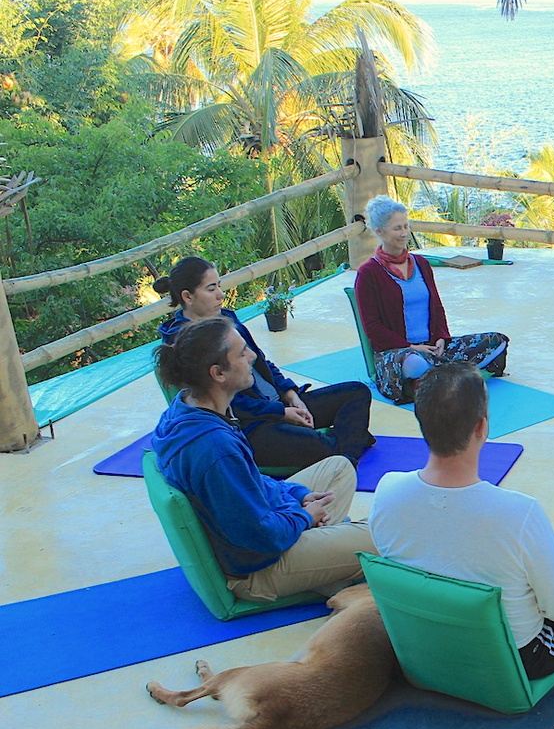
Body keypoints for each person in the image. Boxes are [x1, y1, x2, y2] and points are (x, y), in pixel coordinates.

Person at [370, 362, 554, 678]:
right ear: (481, 427)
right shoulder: (517, 512)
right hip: (520, 657)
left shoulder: (387, 490)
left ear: (420, 421)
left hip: (425, 644)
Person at [151, 317, 376, 602]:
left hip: (264, 530)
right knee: (383, 535)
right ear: (218, 373)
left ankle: (331, 565)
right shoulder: (215, 448)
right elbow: (261, 535)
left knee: (339, 467)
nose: (253, 356)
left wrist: (298, 495)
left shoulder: (188, 405)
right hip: (259, 568)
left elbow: (252, 481)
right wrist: (304, 517)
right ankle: (333, 566)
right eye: (242, 352)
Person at [156, 256, 373, 468]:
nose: (220, 295)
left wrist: (291, 395)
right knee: (323, 445)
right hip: (253, 424)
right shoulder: (188, 344)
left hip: (277, 403)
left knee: (357, 392)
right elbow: (229, 403)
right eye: (211, 289)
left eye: (219, 286)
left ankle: (342, 449)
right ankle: (346, 448)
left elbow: (260, 360)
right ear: (187, 296)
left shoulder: (228, 319)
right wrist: (280, 413)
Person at [354, 195, 510, 403]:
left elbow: (436, 308)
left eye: (405, 226)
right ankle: (446, 376)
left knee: (497, 341)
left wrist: (441, 338)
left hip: (433, 348)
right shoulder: (368, 273)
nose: (404, 233)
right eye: (397, 228)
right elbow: (372, 327)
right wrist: (410, 346)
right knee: (415, 365)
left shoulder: (420, 264)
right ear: (380, 231)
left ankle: (436, 379)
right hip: (401, 353)